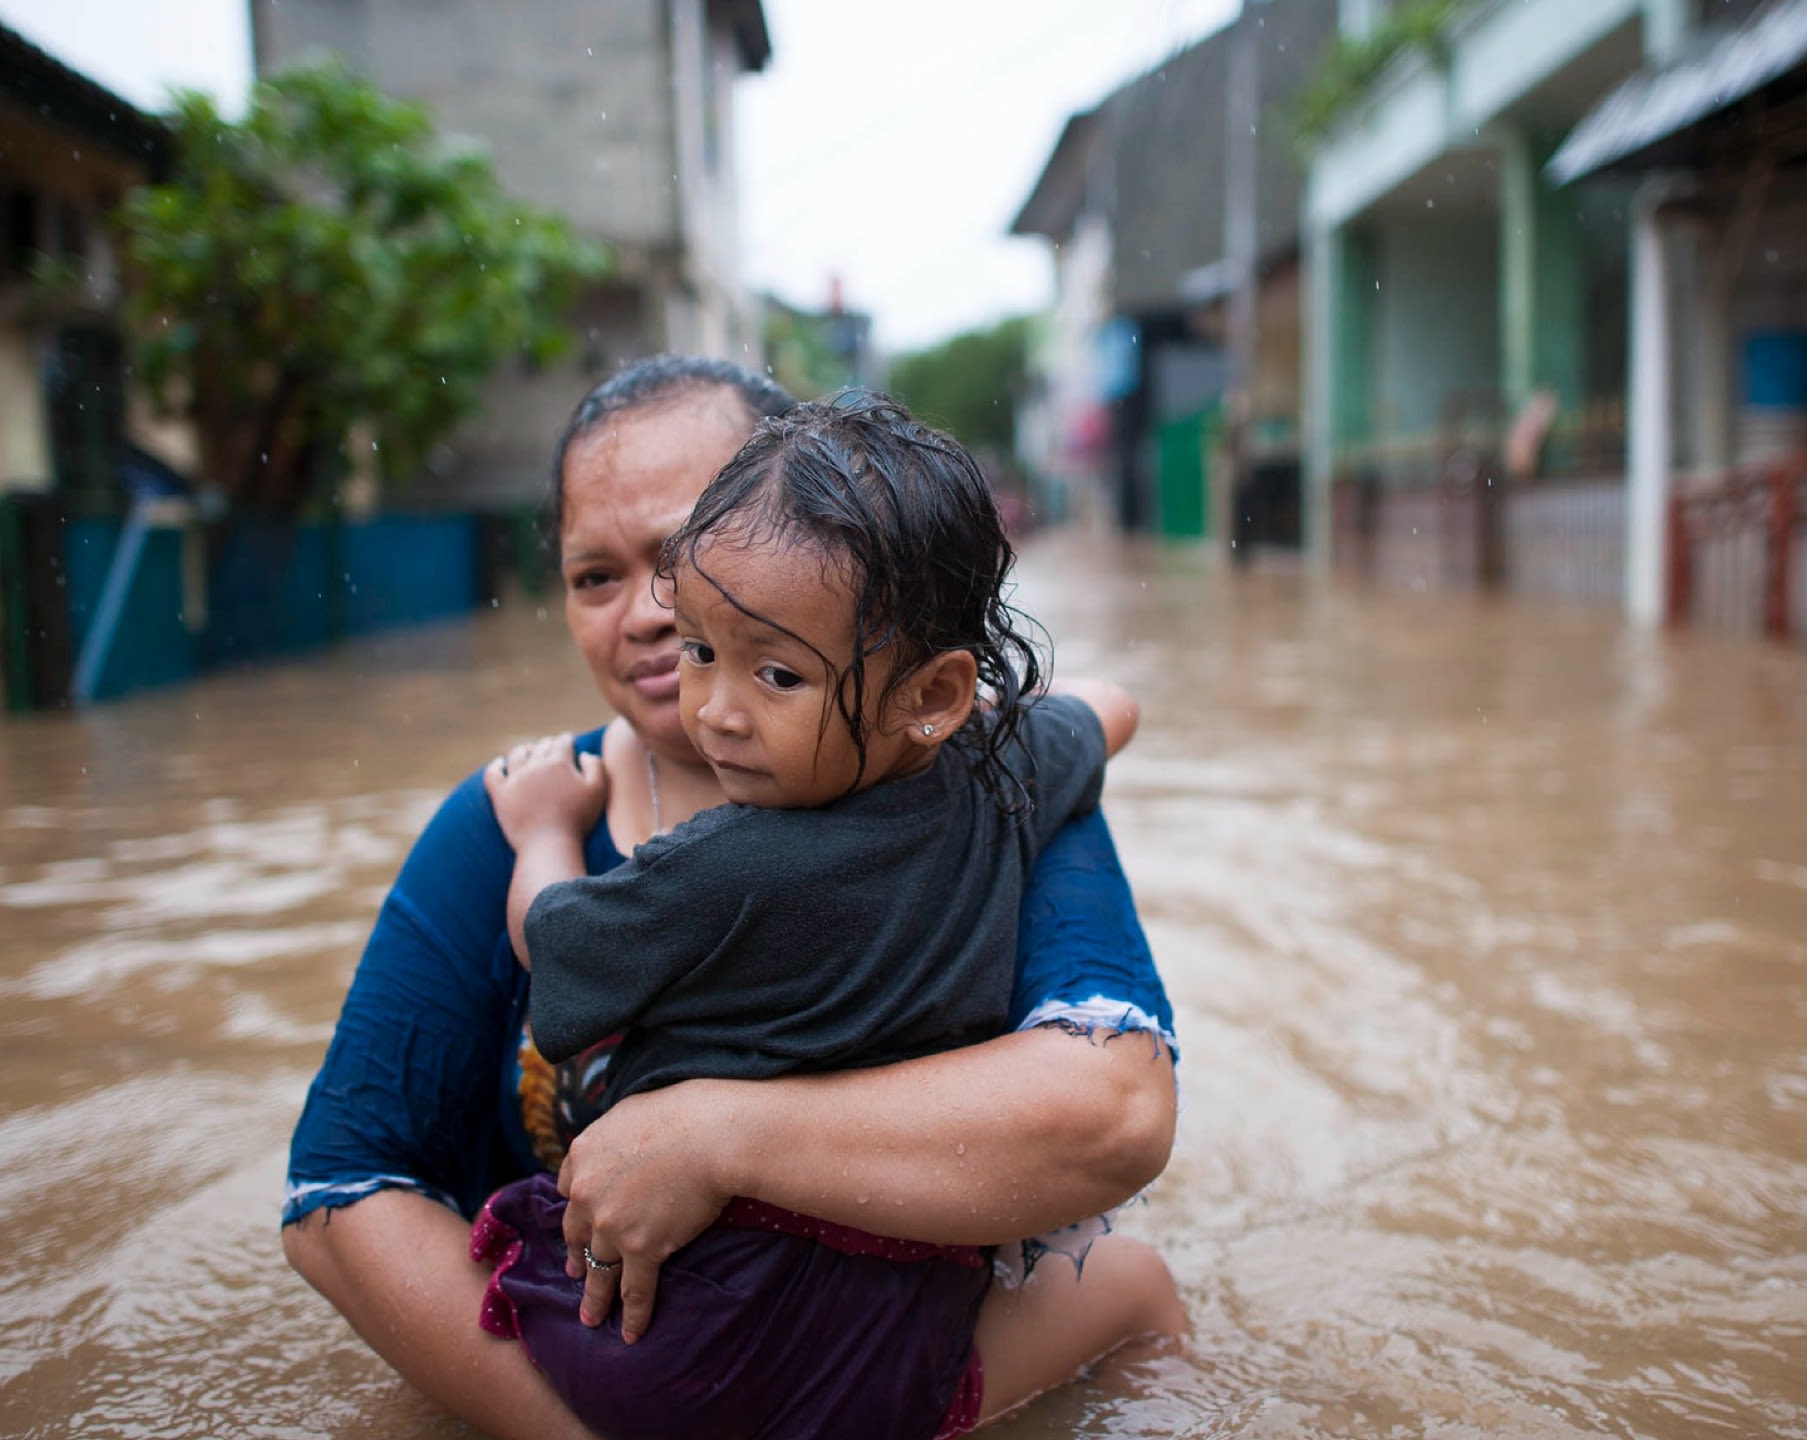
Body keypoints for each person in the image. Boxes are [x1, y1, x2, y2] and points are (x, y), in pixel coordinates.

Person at [282, 358, 1183, 1440]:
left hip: (777, 1358)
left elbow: (1112, 1112)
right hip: (780, 1380)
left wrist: (717, 1138)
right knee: (1132, 1283)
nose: (648, 616)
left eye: (678, 557)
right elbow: (340, 1191)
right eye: (591, 577)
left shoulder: (975, 780)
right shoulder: (501, 816)